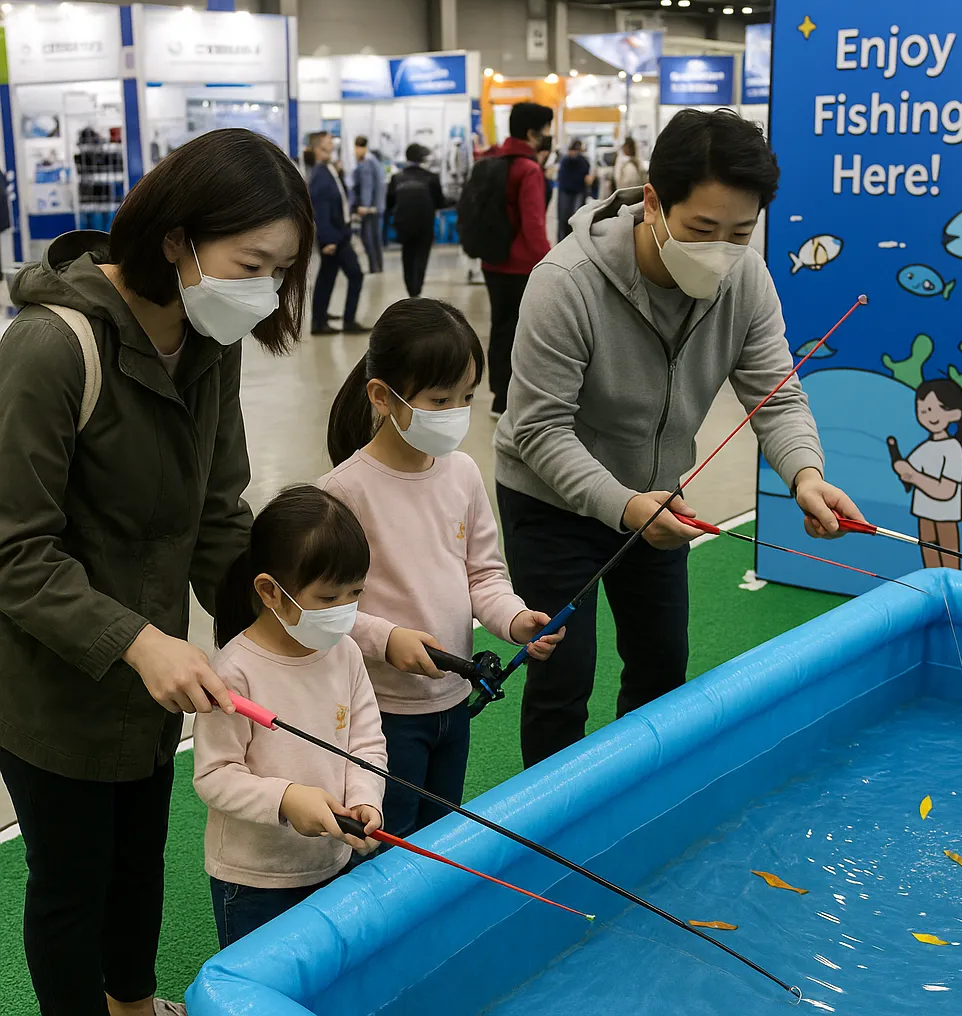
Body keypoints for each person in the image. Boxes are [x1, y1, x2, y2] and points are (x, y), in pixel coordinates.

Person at [0, 128, 314, 1016]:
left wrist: (280, 628)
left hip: (156, 675)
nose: (263, 293)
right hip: (50, 686)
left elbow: (220, 509)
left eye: (279, 273)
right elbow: (14, 551)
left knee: (140, 854)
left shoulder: (212, 337)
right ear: (177, 238)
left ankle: (134, 1004)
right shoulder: (52, 349)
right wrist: (137, 642)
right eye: (250, 263)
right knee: (71, 880)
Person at [494, 108, 865, 769]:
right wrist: (624, 505)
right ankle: (548, 848)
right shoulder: (566, 283)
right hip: (551, 500)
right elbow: (537, 428)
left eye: (740, 233)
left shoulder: (746, 280)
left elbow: (776, 395)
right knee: (562, 678)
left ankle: (640, 806)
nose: (721, 249)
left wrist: (806, 476)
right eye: (701, 229)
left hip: (661, 503)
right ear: (654, 203)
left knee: (662, 667)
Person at [321, 298, 563, 839]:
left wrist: (516, 619)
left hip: (452, 700)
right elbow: (323, 609)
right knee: (385, 844)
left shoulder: (464, 474)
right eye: (439, 399)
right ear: (383, 397)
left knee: (438, 835)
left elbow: (484, 576)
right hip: (380, 712)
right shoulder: (343, 493)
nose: (457, 411)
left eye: (467, 397)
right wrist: (388, 639)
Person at [193, 485, 387, 948]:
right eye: (327, 598)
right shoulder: (235, 672)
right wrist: (286, 799)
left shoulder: (346, 653)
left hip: (334, 863)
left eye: (354, 594)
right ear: (270, 592)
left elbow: (366, 742)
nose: (343, 612)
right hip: (254, 881)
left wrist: (366, 797)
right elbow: (214, 775)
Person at [483, 101, 553, 419]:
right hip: (522, 266)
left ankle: (499, 397)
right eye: (547, 130)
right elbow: (534, 224)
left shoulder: (491, 159)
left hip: (492, 260)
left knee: (500, 328)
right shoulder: (528, 169)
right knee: (522, 333)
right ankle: (514, 399)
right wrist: (551, 264)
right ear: (531, 133)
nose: (549, 136)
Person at [892, 379, 962, 569]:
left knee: (950, 559)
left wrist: (914, 476)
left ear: (955, 413)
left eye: (937, 409)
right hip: (923, 513)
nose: (930, 416)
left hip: (945, 516)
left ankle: (952, 596)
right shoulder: (925, 448)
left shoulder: (953, 449)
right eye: (924, 410)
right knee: (930, 560)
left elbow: (946, 490)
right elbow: (907, 470)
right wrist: (901, 468)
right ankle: (932, 593)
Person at [307, 131, 366, 335]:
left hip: (338, 234)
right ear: (317, 148)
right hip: (334, 237)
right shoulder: (319, 174)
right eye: (327, 142)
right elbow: (320, 210)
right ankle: (348, 321)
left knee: (327, 276)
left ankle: (319, 319)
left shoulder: (328, 169)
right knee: (355, 274)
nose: (332, 144)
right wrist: (328, 239)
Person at [387, 144, 446, 298]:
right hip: (424, 223)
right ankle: (417, 290)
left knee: (407, 256)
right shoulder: (432, 178)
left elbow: (389, 202)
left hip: (403, 223)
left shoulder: (396, 178)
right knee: (421, 257)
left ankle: (411, 291)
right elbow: (440, 202)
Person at [351, 136, 386, 274]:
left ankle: (374, 266)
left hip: (369, 208)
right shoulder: (374, 161)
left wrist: (364, 205)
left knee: (368, 237)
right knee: (376, 237)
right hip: (376, 207)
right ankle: (378, 265)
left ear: (360, 148)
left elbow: (367, 186)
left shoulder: (366, 163)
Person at [556, 139, 594, 242]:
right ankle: (566, 241)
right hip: (571, 192)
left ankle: (569, 241)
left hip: (574, 192)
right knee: (567, 219)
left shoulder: (574, 160)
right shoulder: (569, 160)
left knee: (571, 219)